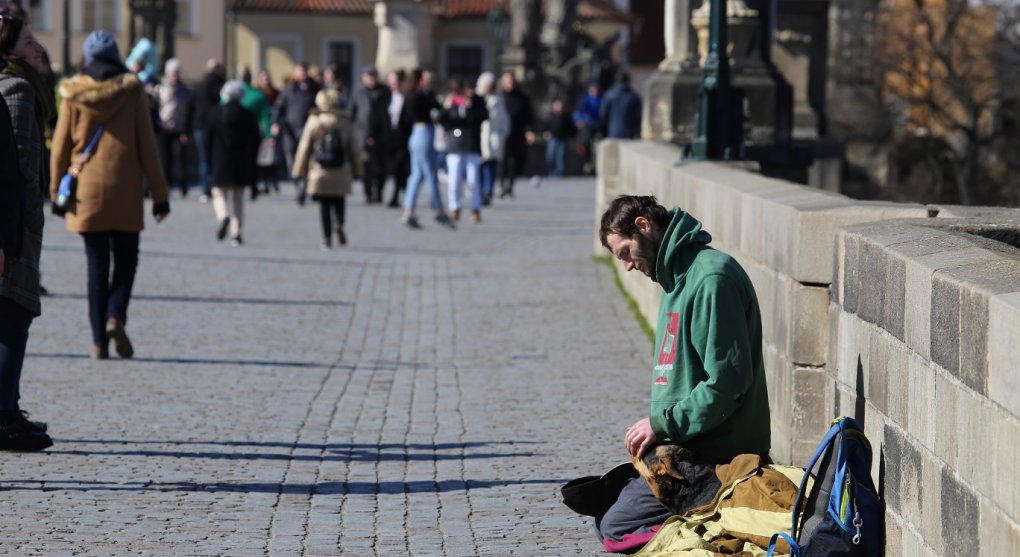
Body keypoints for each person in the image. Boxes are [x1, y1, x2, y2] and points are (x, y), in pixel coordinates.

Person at [596, 195, 771, 553]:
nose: (627, 266)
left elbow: (726, 385)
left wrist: (660, 424)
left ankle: (713, 525)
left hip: (716, 457)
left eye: (626, 252)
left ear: (643, 226)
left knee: (617, 528)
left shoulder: (710, 279)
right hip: (682, 449)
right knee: (601, 510)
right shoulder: (675, 280)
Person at [50, 30, 171, 360]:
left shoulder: (74, 94)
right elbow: (148, 147)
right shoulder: (132, 92)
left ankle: (97, 342)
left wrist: (56, 191)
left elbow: (60, 148)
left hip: (87, 190)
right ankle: (115, 315)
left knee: (96, 265)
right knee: (128, 260)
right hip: (126, 187)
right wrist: (160, 194)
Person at [0, 13, 53, 450]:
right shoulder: (16, 89)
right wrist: (21, 225)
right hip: (14, 220)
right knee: (14, 313)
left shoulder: (24, 87)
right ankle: (4, 414)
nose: (39, 48)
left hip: (16, 218)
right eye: (30, 41)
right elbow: (15, 166)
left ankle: (8, 406)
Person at [292, 88, 363, 249]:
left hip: (320, 168)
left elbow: (304, 147)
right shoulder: (344, 121)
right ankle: (339, 223)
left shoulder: (314, 120)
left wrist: (298, 170)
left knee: (324, 204)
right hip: (341, 168)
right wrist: (358, 170)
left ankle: (326, 237)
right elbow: (354, 148)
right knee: (339, 200)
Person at [205, 80, 259, 247]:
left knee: (218, 194)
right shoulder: (247, 115)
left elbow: (207, 141)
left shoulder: (214, 113)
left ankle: (223, 216)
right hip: (241, 161)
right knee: (238, 198)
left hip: (220, 160)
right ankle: (236, 234)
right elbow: (256, 140)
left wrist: (208, 162)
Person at [399, 69, 448, 229]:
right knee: (431, 173)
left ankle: (409, 210)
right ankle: (439, 210)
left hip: (415, 134)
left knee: (417, 175)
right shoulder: (421, 96)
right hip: (424, 133)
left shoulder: (411, 95)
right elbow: (438, 107)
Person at [438, 78, 487, 223]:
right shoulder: (451, 100)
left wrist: (470, 107)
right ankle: (454, 207)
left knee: (473, 180)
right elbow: (441, 120)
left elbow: (483, 117)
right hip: (455, 143)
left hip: (471, 143)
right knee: (454, 179)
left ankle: (475, 208)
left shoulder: (477, 101)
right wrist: (446, 108)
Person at [272, 61, 320, 205]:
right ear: (295, 73)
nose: (302, 74)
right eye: (299, 71)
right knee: (291, 161)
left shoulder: (315, 88)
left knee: (307, 161)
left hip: (308, 130)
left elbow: (320, 106)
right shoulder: (288, 89)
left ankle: (303, 189)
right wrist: (275, 123)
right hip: (290, 131)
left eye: (304, 71)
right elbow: (277, 107)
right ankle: (297, 184)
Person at [349, 65, 390, 204]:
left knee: (381, 167)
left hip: (381, 134)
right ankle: (367, 193)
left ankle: (379, 192)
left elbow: (387, 114)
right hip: (362, 134)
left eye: (373, 76)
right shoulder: (358, 90)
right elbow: (352, 112)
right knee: (365, 166)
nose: (371, 79)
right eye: (368, 76)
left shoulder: (384, 91)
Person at [186, 59, 225, 203]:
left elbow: (189, 108)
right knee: (214, 158)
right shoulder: (221, 85)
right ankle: (215, 187)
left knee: (204, 159)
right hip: (215, 126)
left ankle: (204, 189)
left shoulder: (198, 86)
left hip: (199, 126)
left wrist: (186, 129)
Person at [155, 58, 191, 197]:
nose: (174, 77)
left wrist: (185, 130)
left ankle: (183, 186)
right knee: (165, 159)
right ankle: (166, 185)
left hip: (180, 127)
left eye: (176, 73)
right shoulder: (160, 89)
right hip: (164, 127)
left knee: (181, 158)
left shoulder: (185, 91)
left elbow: (188, 111)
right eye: (172, 73)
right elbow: (156, 108)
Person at [497, 71, 535, 199]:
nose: (510, 84)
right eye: (507, 81)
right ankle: (502, 186)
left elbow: (529, 117)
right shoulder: (499, 97)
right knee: (503, 161)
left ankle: (510, 187)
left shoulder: (522, 98)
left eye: (512, 81)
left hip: (517, 133)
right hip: (502, 134)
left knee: (514, 162)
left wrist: (529, 131)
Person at [477, 71, 509, 206]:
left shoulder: (498, 99)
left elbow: (504, 121)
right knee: (478, 167)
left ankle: (488, 193)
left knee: (490, 167)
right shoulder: (476, 99)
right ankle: (477, 192)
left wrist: (501, 135)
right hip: (479, 139)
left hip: (493, 139)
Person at [384, 69, 409, 208]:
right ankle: (401, 191)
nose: (392, 84)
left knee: (400, 166)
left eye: (395, 81)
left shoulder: (406, 97)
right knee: (392, 167)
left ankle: (396, 195)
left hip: (402, 136)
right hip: (389, 136)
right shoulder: (386, 96)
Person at [599, 71, 642, 139]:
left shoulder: (609, 95)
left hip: (612, 132)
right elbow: (638, 116)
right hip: (629, 134)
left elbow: (603, 115)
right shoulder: (634, 96)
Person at [572, 81, 602, 174]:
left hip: (598, 126)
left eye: (596, 89)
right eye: (593, 89)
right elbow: (578, 112)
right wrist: (578, 120)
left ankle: (595, 165)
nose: (595, 91)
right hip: (587, 125)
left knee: (597, 145)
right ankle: (586, 164)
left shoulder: (601, 99)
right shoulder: (585, 100)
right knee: (584, 144)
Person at [543, 99, 575, 177]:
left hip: (562, 140)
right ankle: (552, 173)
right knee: (550, 157)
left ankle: (559, 175)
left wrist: (570, 136)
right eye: (557, 106)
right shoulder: (550, 116)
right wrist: (546, 133)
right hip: (552, 139)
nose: (559, 108)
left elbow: (572, 129)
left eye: (560, 106)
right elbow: (545, 127)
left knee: (560, 158)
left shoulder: (566, 117)